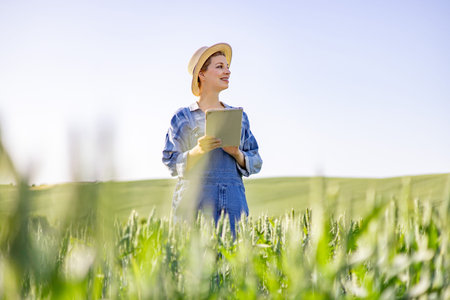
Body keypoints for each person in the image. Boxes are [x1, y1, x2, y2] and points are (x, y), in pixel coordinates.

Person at [162, 43, 262, 235]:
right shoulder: (183, 118)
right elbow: (171, 162)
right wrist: (198, 151)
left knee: (232, 260)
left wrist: (236, 153)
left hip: (233, 203)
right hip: (195, 201)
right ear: (202, 74)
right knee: (194, 260)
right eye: (220, 67)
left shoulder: (239, 117)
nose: (228, 71)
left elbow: (256, 161)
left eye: (227, 67)